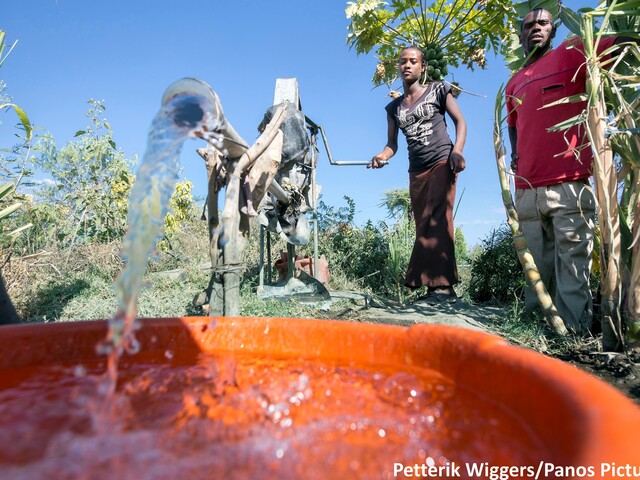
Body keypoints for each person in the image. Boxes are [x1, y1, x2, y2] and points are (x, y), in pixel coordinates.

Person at [506, 9, 619, 334]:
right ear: (521, 34)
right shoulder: (515, 80)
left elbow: (620, 46)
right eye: (528, 25)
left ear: (553, 29)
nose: (535, 29)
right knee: (534, 271)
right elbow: (514, 122)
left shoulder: (573, 52)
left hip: (569, 184)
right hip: (526, 189)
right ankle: (531, 334)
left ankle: (571, 337)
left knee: (572, 267)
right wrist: (515, 152)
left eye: (542, 23)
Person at [369, 45, 467, 304]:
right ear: (398, 67)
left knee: (438, 219)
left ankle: (444, 287)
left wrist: (457, 152)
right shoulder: (394, 108)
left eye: (413, 61)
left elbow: (460, 122)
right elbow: (392, 145)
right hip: (417, 171)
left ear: (423, 67)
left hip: (442, 162)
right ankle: (432, 287)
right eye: (403, 62)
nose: (407, 65)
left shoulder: (438, 89)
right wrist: (381, 156)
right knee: (424, 223)